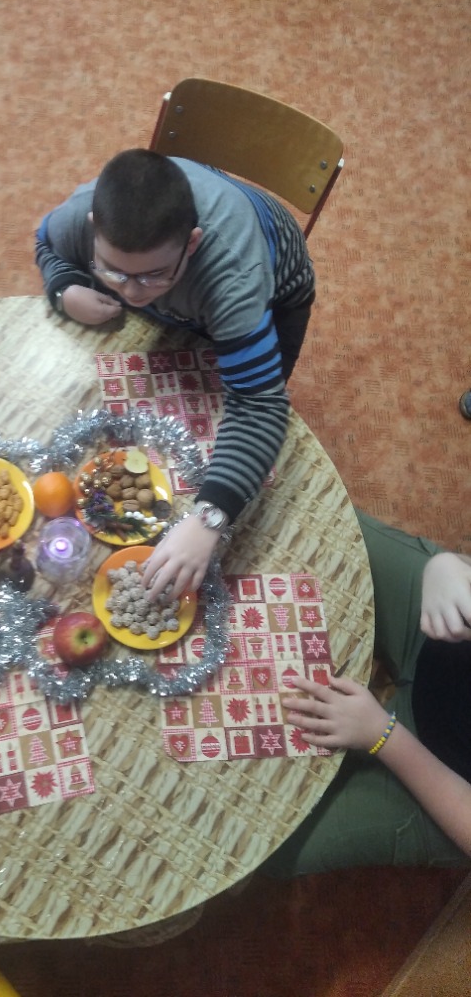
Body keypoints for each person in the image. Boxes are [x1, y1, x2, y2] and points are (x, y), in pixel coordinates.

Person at [35, 149, 315, 600]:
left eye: (152, 275)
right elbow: (46, 243)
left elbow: (260, 405)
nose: (130, 292)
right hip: (193, 294)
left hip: (275, 290)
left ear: (193, 243)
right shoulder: (81, 217)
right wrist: (64, 287)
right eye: (113, 270)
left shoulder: (234, 279)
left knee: (249, 398)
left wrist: (210, 518)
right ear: (92, 227)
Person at [263, 511, 471, 876]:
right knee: (315, 523)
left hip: (446, 771)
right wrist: (448, 567)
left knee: (274, 850)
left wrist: (382, 735)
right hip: (440, 639)